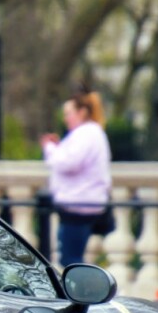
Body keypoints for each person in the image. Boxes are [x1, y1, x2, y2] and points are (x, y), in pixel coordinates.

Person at [40, 87, 112, 266]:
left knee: (71, 260)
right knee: (71, 257)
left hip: (79, 205)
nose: (66, 119)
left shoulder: (86, 134)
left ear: (82, 112)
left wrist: (49, 148)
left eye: (69, 113)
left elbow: (68, 163)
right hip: (81, 204)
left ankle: (88, 292)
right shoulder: (90, 134)